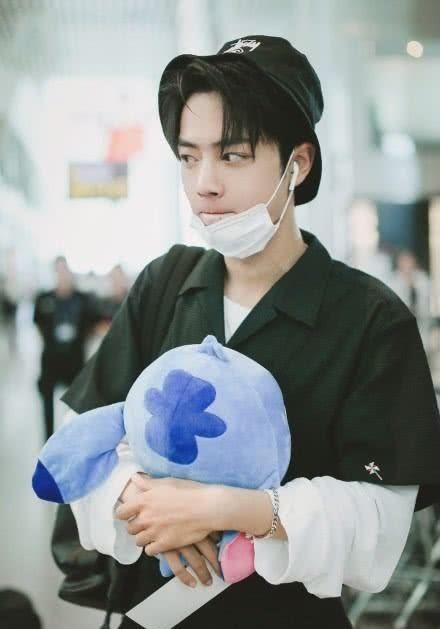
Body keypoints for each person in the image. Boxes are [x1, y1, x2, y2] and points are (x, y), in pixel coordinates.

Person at [60, 36, 440, 629]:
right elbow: (80, 436)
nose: (204, 183)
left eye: (232, 155)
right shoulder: (165, 284)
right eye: (189, 158)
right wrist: (138, 500)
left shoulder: (368, 319)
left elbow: (380, 523)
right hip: (152, 613)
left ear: (298, 163)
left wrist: (230, 508)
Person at [33, 256, 97, 439]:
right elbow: (38, 324)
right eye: (59, 271)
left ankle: (73, 440)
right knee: (47, 402)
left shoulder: (82, 299)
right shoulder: (44, 298)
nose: (62, 275)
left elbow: (92, 325)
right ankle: (48, 441)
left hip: (74, 361)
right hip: (50, 360)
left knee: (76, 406)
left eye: (65, 270)